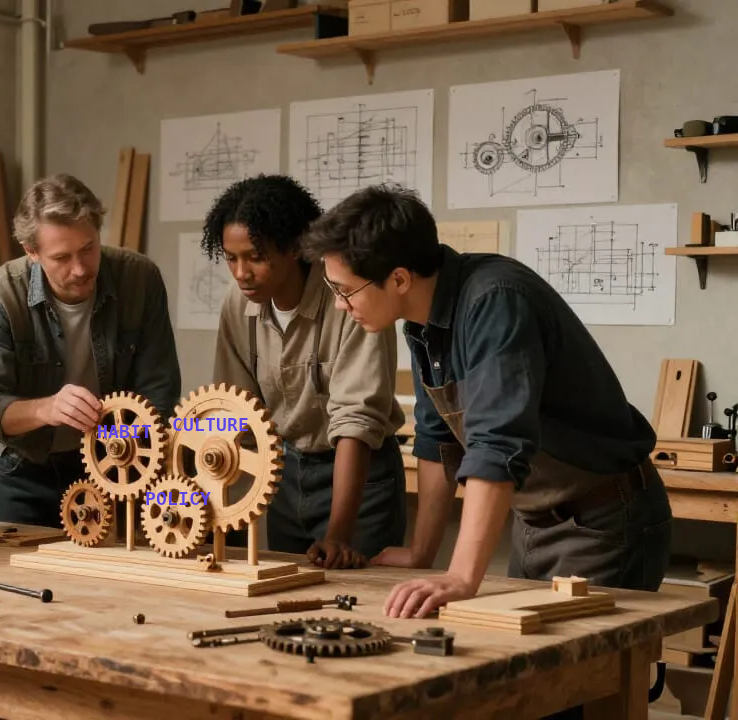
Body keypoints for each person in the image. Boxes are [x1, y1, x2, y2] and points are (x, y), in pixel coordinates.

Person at [301, 183, 672, 620]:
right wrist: (422, 552)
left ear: (399, 279)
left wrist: (460, 577)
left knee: (573, 680)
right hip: (534, 519)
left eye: (345, 290)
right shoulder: (421, 321)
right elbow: (439, 438)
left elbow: (497, 443)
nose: (340, 305)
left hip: (602, 522)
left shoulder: (495, 301)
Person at [205, 174, 408, 568]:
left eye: (256, 256)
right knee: (290, 596)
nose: (242, 272)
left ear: (295, 247)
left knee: (356, 602)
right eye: (232, 258)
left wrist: (339, 533)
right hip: (286, 472)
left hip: (359, 477)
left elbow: (356, 421)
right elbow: (234, 412)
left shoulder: (348, 297)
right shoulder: (237, 305)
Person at [0, 173, 182, 528]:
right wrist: (47, 409)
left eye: (88, 248)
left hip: (115, 466)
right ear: (31, 252)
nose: (80, 269)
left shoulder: (139, 280)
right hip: (23, 472)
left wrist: (128, 454)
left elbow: (159, 389)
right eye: (62, 257)